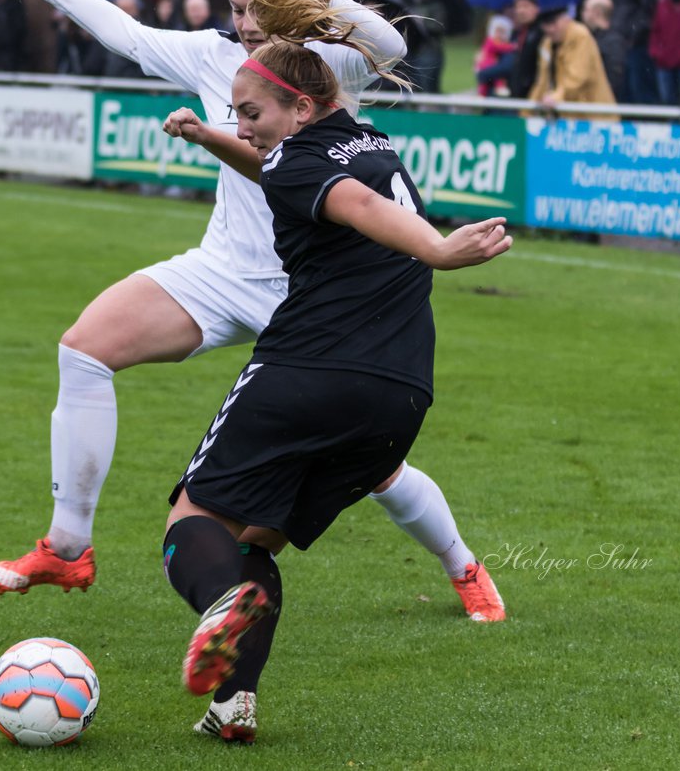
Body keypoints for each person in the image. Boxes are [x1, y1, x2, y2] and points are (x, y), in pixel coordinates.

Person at [0, 0, 505, 636]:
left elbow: (395, 47)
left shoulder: (324, 62)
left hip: (315, 296)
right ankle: (68, 545)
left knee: (374, 469)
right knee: (84, 347)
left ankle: (463, 566)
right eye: (235, 7)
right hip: (224, 272)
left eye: (259, 4)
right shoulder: (210, 57)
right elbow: (126, 34)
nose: (247, 21)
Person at [158, 40, 511, 741]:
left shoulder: (305, 161)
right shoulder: (368, 138)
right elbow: (302, 174)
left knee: (191, 526)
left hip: (309, 371)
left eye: (250, 112)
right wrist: (213, 141)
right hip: (401, 397)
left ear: (302, 106)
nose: (242, 124)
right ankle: (234, 705)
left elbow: (339, 199)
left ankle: (223, 602)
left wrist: (439, 251)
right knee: (255, 541)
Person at [528, 6, 617, 119]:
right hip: (565, 117)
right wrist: (527, 112)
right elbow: (542, 81)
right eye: (545, 24)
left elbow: (578, 77)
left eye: (553, 22)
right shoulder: (547, 43)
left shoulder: (580, 36)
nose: (550, 29)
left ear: (566, 19)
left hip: (592, 117)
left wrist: (555, 97)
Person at [611, 0, 658, 104]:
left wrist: (633, 35)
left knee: (639, 88)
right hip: (621, 40)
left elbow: (646, 12)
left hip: (637, 44)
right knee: (624, 89)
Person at [581, 0, 626, 104]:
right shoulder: (589, 37)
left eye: (586, 9)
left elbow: (614, 77)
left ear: (597, 12)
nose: (582, 13)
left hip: (603, 104)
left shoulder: (613, 41)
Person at [474, 14, 515, 96]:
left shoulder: (494, 41)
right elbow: (500, 47)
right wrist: (512, 46)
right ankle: (499, 87)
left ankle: (482, 93)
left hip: (487, 63)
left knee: (487, 80)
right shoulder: (491, 41)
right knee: (496, 75)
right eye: (498, 31)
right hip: (487, 63)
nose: (499, 34)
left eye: (502, 32)